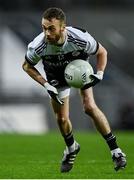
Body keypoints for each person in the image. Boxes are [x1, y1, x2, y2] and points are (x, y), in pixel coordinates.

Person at [22, 7, 127, 173]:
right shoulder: (38, 45)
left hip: (80, 71)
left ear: (63, 28)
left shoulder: (80, 38)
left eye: (51, 28)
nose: (46, 33)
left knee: (89, 107)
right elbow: (27, 66)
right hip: (55, 74)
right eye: (44, 28)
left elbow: (102, 52)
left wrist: (99, 73)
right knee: (62, 119)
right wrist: (45, 84)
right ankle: (71, 148)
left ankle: (116, 151)